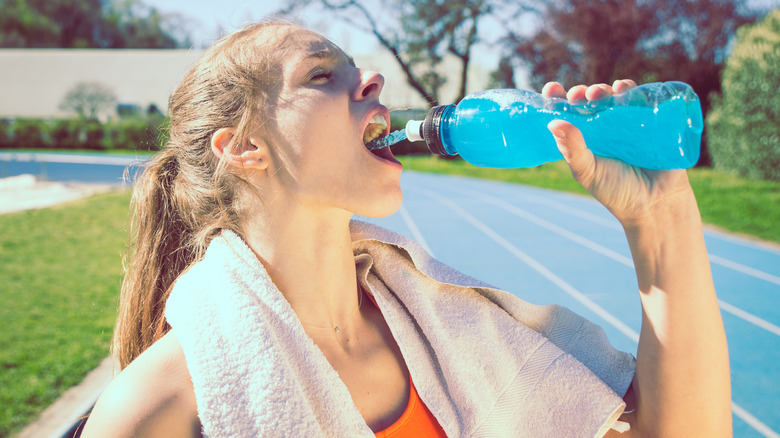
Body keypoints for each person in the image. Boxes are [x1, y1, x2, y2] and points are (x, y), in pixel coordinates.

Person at [81, 19, 731, 438]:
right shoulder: (159, 410)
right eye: (319, 74)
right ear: (245, 148)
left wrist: (660, 219)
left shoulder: (453, 331)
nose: (372, 78)